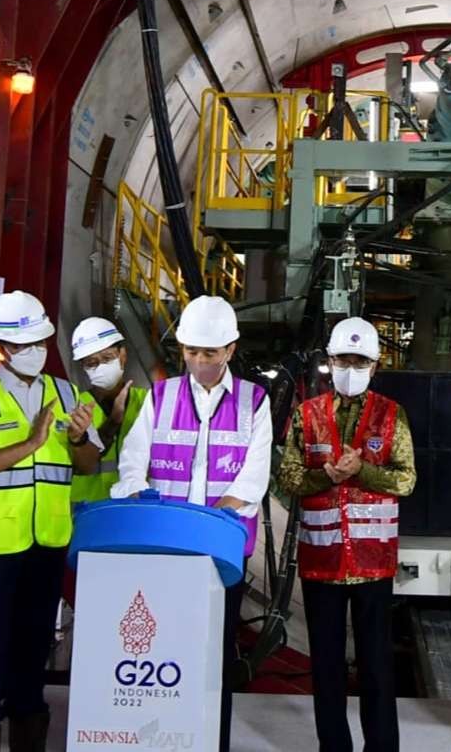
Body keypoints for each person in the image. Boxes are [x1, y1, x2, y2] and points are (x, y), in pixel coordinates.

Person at [111, 296, 272, 752]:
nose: (199, 362)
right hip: (165, 551)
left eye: (209, 353)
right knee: (163, 654)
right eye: (191, 352)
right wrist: (138, 493)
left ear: (230, 350)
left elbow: (252, 480)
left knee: (214, 656)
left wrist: (203, 526)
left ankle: (210, 742)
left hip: (221, 554)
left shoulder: (253, 402)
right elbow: (132, 464)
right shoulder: (160, 397)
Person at [0, 290, 100, 752]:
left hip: (47, 543)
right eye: (24, 344)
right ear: (1, 346)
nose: (36, 352)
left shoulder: (67, 392)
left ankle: (29, 737)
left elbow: (89, 465)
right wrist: (29, 443)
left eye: (41, 342)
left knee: (33, 651)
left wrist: (77, 440)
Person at [278, 317, 415, 752]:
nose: (349, 368)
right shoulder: (306, 415)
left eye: (359, 361)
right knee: (327, 666)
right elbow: (289, 476)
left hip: (373, 564)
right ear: (329, 362)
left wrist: (363, 471)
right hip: (322, 563)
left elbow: (406, 479)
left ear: (374, 366)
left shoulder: (392, 415)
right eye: (342, 360)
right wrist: (326, 476)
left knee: (377, 666)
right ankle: (333, 745)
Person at [69, 317, 148, 504]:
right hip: (89, 512)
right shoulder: (74, 406)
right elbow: (79, 466)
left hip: (135, 510)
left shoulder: (148, 402)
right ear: (83, 367)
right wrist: (113, 421)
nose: (100, 367)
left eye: (107, 358)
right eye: (91, 362)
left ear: (123, 355)